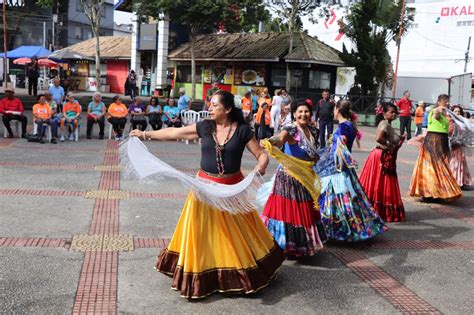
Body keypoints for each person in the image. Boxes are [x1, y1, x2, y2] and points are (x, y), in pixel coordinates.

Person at [128, 90, 285, 299]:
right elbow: (176, 132)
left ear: (227, 109)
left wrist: (262, 165)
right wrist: (145, 135)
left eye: (214, 105)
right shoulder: (204, 126)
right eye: (210, 105)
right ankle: (202, 275)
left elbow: (261, 154)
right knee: (201, 234)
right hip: (203, 190)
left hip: (231, 190)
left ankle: (239, 274)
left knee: (235, 236)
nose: (209, 108)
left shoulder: (243, 131)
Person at [260, 99, 325, 258]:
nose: (304, 114)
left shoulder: (313, 130)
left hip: (305, 177)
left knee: (304, 209)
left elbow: (314, 152)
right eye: (300, 112)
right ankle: (282, 244)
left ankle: (301, 243)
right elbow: (280, 139)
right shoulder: (291, 129)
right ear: (294, 114)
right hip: (289, 177)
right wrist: (270, 141)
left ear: (311, 113)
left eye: (307, 111)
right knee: (288, 210)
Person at [315, 100, 387, 241]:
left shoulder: (343, 127)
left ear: (336, 109)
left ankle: (339, 230)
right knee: (350, 198)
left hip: (338, 167)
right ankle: (355, 227)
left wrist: (339, 165)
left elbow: (341, 147)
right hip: (343, 167)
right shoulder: (349, 125)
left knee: (337, 198)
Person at [409, 94, 462, 201]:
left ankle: (437, 192)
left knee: (439, 167)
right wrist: (439, 109)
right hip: (433, 141)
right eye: (445, 101)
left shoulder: (445, 114)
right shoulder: (435, 111)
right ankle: (428, 193)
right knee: (431, 168)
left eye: (448, 101)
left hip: (441, 141)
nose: (447, 103)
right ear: (439, 101)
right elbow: (435, 116)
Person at [359, 103, 406, 222]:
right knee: (380, 182)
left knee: (379, 183)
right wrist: (391, 145)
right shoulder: (384, 123)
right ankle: (377, 209)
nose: (393, 114)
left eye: (395, 112)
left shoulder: (388, 124)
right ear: (384, 113)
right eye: (391, 112)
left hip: (383, 155)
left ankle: (376, 209)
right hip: (381, 156)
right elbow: (379, 138)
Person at [449, 105, 472, 189]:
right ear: (452, 112)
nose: (457, 113)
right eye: (455, 111)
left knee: (459, 162)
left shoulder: (463, 121)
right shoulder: (450, 120)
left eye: (459, 111)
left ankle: (458, 180)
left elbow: (467, 132)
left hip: (459, 145)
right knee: (452, 162)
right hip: (451, 145)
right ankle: (452, 180)